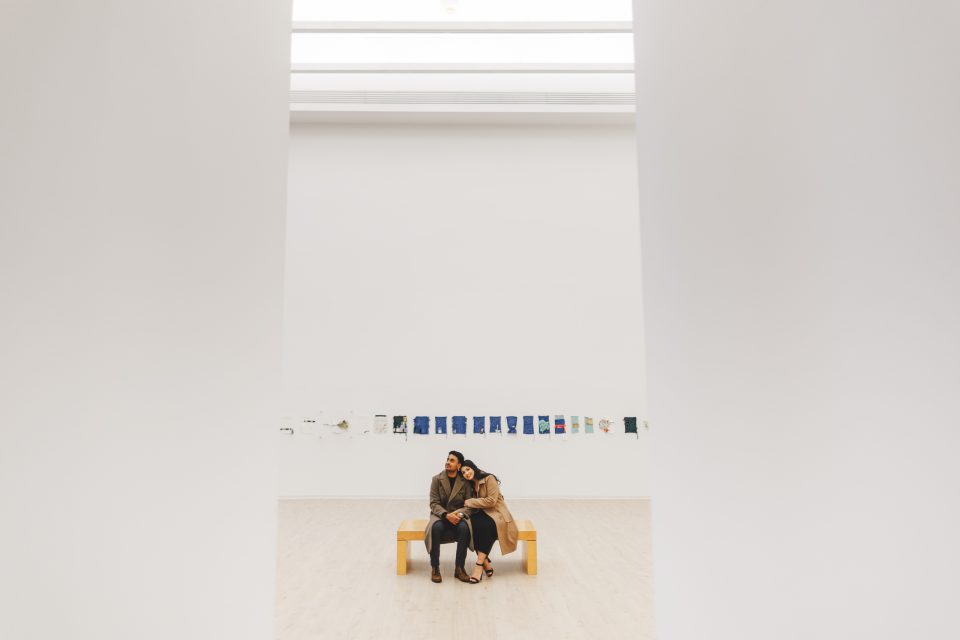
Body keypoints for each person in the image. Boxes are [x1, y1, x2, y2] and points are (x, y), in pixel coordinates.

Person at [460, 459, 519, 584]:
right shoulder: (470, 484)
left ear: (473, 468)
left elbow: (491, 501)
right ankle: (486, 563)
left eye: (468, 469)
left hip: (498, 513)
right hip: (483, 512)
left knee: (488, 527)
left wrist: (470, 502)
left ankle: (479, 565)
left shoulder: (489, 478)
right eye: (463, 472)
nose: (466, 473)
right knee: (470, 526)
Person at [425, 450, 475, 583]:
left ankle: (460, 568)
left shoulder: (465, 481)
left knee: (465, 529)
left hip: (458, 516)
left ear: (459, 465)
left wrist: (458, 514)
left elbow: (469, 504)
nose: (447, 462)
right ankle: (435, 567)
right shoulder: (436, 479)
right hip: (441, 515)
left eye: (452, 460)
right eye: (447, 459)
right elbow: (433, 503)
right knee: (435, 529)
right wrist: (447, 515)